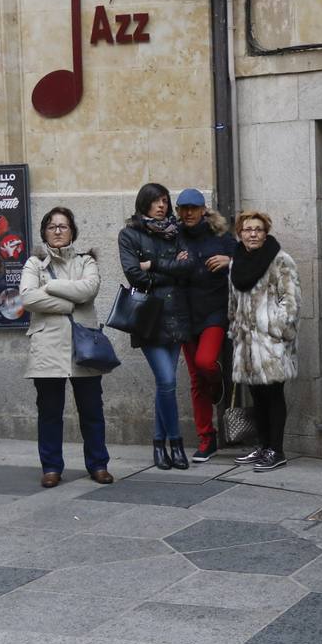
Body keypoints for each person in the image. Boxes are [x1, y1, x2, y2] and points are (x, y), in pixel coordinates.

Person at [19, 207, 113, 488]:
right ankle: (51, 467)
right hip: (47, 347)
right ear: (44, 232)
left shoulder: (86, 261)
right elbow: (27, 298)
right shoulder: (33, 263)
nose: (58, 231)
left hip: (84, 346)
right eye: (52, 226)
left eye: (64, 226)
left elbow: (89, 290)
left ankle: (98, 464)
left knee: (92, 411)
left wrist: (51, 286)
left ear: (72, 231)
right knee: (49, 413)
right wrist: (68, 302)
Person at [119, 183, 193, 471]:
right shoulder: (129, 234)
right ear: (144, 203)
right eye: (155, 201)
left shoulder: (177, 231)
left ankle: (159, 444)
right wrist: (167, 267)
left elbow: (188, 268)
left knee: (167, 385)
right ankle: (175, 442)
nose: (161, 205)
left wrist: (153, 265)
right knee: (166, 382)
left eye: (164, 200)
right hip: (148, 317)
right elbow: (134, 274)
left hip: (176, 314)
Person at [227, 211, 300, 473]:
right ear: (240, 233)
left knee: (273, 394)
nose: (253, 234)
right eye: (248, 230)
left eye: (258, 229)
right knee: (257, 395)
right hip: (246, 342)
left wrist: (275, 330)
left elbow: (290, 301)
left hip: (271, 342)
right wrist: (235, 328)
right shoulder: (237, 261)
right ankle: (263, 445)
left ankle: (276, 450)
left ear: (265, 232)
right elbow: (233, 301)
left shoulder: (280, 260)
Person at [177, 188, 235, 464]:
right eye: (183, 208)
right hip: (185, 316)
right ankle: (206, 438)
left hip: (215, 311)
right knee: (196, 379)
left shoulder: (221, 237)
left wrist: (230, 261)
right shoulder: (174, 237)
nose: (188, 213)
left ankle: (217, 379)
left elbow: (249, 261)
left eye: (193, 208)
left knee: (205, 362)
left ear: (203, 210)